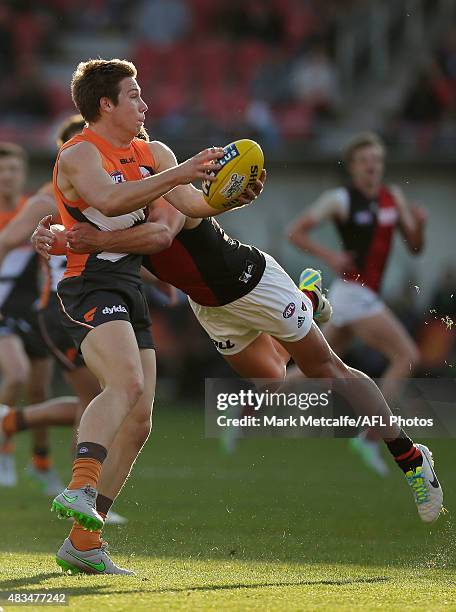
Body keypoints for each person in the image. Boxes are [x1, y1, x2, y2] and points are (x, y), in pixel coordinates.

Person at [34, 193, 443, 537]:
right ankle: (307, 301)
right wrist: (61, 240)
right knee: (271, 379)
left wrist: (87, 240)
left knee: (327, 370)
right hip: (212, 308)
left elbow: (158, 237)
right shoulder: (115, 207)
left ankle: (410, 457)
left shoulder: (165, 190)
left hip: (253, 283)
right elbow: (123, 256)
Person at [46, 57, 262, 575]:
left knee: (140, 421)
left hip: (127, 284)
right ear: (106, 105)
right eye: (135, 95)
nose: (144, 104)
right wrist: (182, 170)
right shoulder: (78, 155)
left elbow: (190, 204)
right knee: (124, 385)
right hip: (88, 282)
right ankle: (79, 486)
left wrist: (232, 197)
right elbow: (110, 199)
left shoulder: (152, 151)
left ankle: (83, 540)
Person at [0, 116, 124, 523]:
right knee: (100, 396)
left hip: (73, 306)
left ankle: (16, 427)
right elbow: (6, 241)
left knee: (94, 397)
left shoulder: (98, 196)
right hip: (60, 309)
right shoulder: (45, 199)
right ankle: (81, 492)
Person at [288, 132, 426, 475]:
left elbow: (415, 246)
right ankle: (371, 435)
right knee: (407, 355)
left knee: (315, 367)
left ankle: (247, 407)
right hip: (353, 292)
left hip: (360, 297)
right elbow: (296, 232)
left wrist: (419, 225)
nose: (372, 167)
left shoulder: (393, 197)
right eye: (365, 161)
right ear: (352, 167)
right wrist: (332, 256)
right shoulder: (340, 199)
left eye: (377, 161)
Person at [0, 143, 55, 489]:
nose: (8, 176)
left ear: (23, 174)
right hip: (1, 308)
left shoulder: (34, 209)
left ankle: (41, 461)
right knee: (17, 375)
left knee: (40, 391)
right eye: (2, 171)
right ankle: (4, 450)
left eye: (14, 170)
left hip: (33, 306)